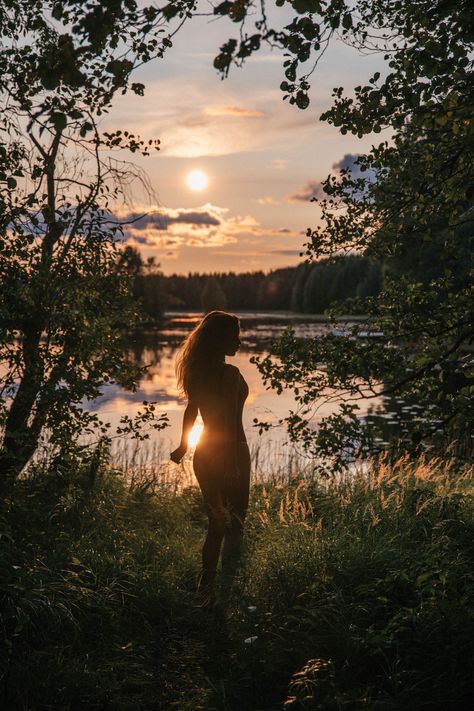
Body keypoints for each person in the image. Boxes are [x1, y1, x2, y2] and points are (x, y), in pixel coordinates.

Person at [170, 311, 250, 604]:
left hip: (203, 453)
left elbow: (192, 411)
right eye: (234, 336)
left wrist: (183, 447)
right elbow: (228, 420)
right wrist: (231, 464)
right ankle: (226, 593)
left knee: (216, 523)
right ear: (220, 340)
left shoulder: (199, 372)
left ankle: (205, 590)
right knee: (236, 523)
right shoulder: (229, 374)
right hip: (232, 450)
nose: (239, 342)